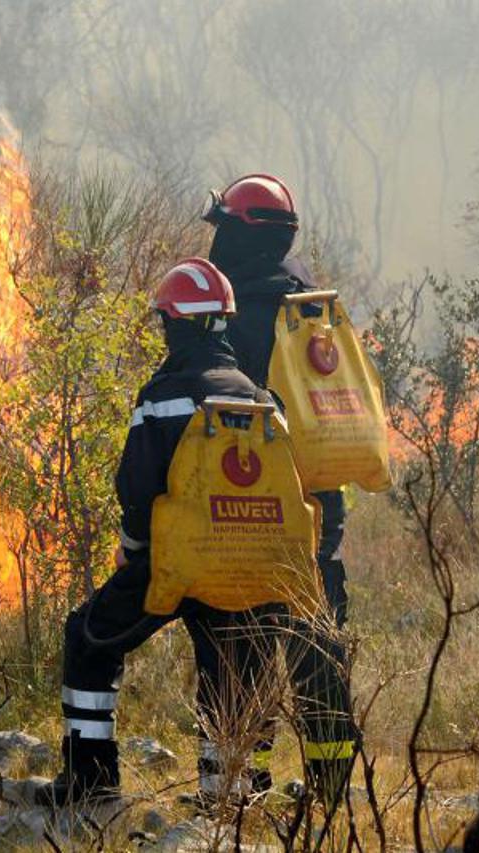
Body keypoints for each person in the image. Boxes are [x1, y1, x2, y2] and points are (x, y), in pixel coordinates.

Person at [37, 257, 287, 808]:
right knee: (233, 668)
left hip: (175, 559)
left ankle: (90, 781)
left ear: (176, 325)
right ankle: (227, 799)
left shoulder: (163, 397)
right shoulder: (259, 399)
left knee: (89, 638)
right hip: (247, 564)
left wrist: (133, 556)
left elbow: (139, 490)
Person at [201, 172, 357, 797]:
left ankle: (235, 787)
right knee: (318, 649)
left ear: (242, 235)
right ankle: (333, 786)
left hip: (248, 506)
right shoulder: (309, 306)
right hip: (320, 505)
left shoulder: (228, 313)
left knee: (238, 644)